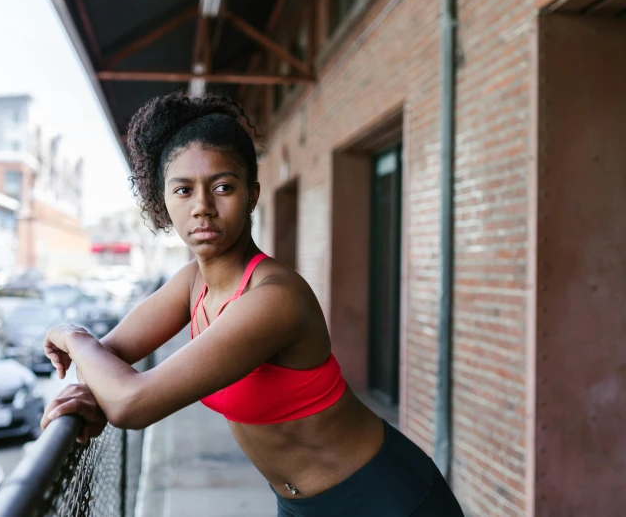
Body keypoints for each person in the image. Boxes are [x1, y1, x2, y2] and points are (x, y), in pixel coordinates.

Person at [41, 92, 464, 517]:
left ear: (252, 194)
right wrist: (93, 395)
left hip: (387, 500)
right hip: (298, 507)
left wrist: (73, 335)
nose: (202, 207)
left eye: (223, 187)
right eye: (183, 190)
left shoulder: (273, 299)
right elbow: (110, 356)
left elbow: (132, 403)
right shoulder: (192, 282)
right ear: (164, 201)